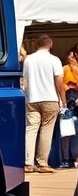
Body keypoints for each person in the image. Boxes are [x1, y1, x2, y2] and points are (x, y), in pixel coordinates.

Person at [23, 34, 65, 173]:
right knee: (46, 130)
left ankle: (28, 163)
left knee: (31, 129)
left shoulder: (29, 59)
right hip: (50, 98)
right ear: (50, 44)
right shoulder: (54, 60)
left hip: (32, 98)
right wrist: (62, 100)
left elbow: (25, 80)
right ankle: (42, 163)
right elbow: (59, 81)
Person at [61, 44, 78, 168]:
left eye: (73, 56)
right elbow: (60, 83)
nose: (71, 58)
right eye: (70, 55)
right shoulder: (65, 68)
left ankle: (73, 157)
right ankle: (67, 158)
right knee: (68, 130)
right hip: (68, 99)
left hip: (74, 97)